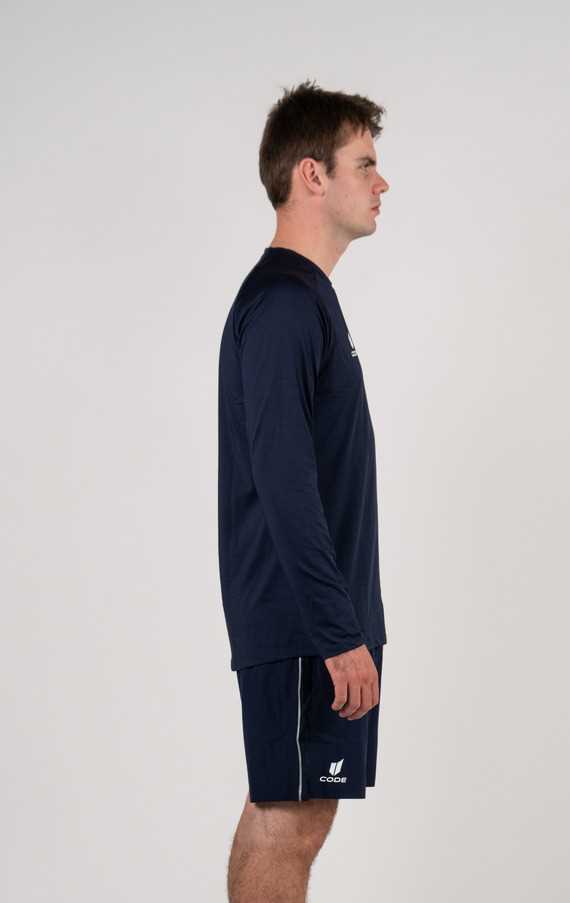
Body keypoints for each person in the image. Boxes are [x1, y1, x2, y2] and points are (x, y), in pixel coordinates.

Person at [217, 78, 390, 903]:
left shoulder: (306, 299)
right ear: (311, 174)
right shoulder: (286, 303)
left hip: (316, 623)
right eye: (365, 163)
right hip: (303, 627)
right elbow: (283, 481)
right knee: (286, 817)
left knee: (296, 813)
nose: (382, 182)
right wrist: (336, 630)